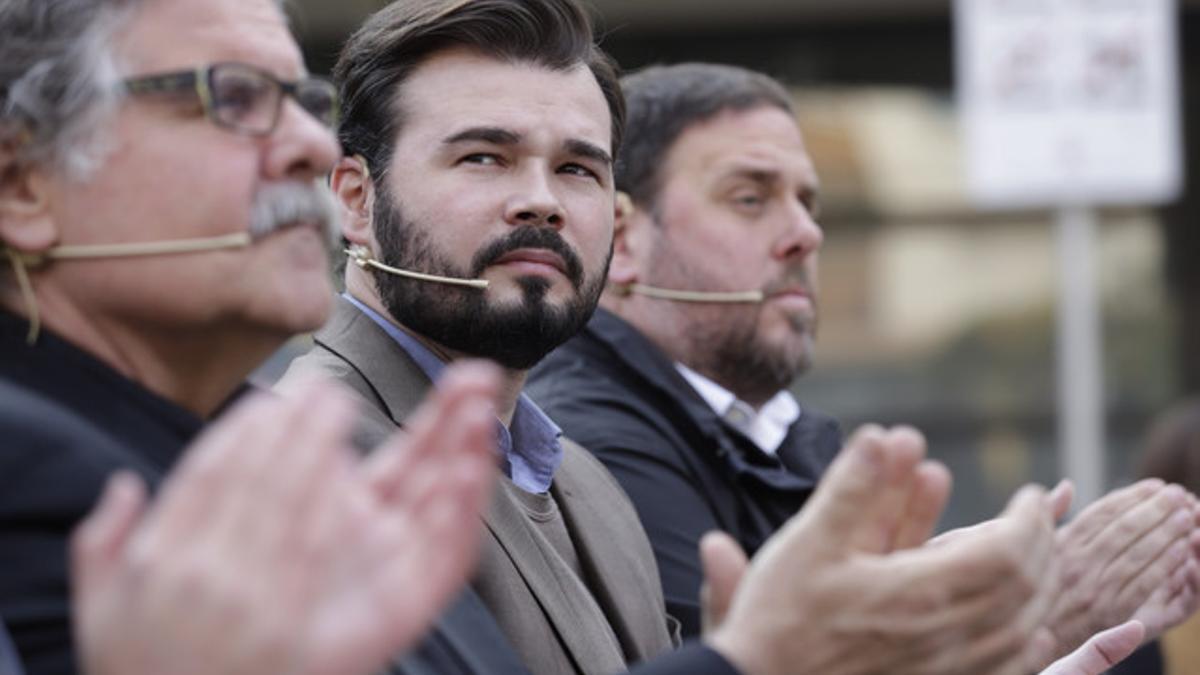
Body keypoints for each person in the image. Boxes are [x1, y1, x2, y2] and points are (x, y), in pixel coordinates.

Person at [282, 1, 1083, 673]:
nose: (542, 202)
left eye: (578, 169)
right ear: (355, 199)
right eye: (485, 157)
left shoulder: (587, 485)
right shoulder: (303, 460)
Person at [525, 61, 1200, 657]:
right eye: (751, 198)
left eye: (809, 201)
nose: (805, 233)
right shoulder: (591, 440)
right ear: (624, 239)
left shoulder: (786, 435)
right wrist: (1017, 618)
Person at [0, 0, 504, 673]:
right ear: (21, 187)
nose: (317, 146)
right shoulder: (27, 475)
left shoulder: (282, 446)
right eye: (233, 97)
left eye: (302, 102)